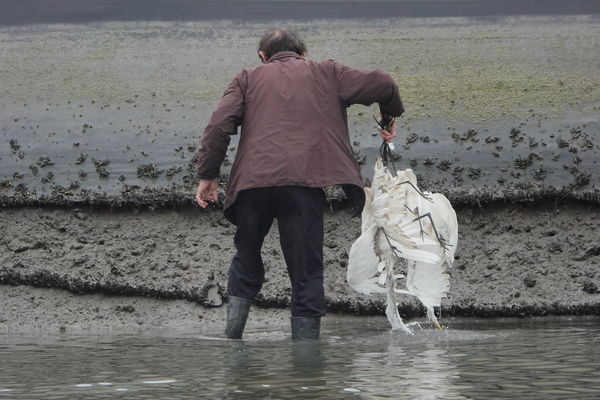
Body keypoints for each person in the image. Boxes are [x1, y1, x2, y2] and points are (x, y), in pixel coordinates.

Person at [196, 28, 403, 340]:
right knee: (306, 272)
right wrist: (388, 120)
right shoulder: (327, 73)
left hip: (253, 186)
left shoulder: (246, 78)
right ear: (304, 53)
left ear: (262, 57)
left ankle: (232, 341)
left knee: (246, 257)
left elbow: (218, 125)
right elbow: (384, 83)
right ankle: (307, 369)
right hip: (304, 186)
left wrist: (208, 175)